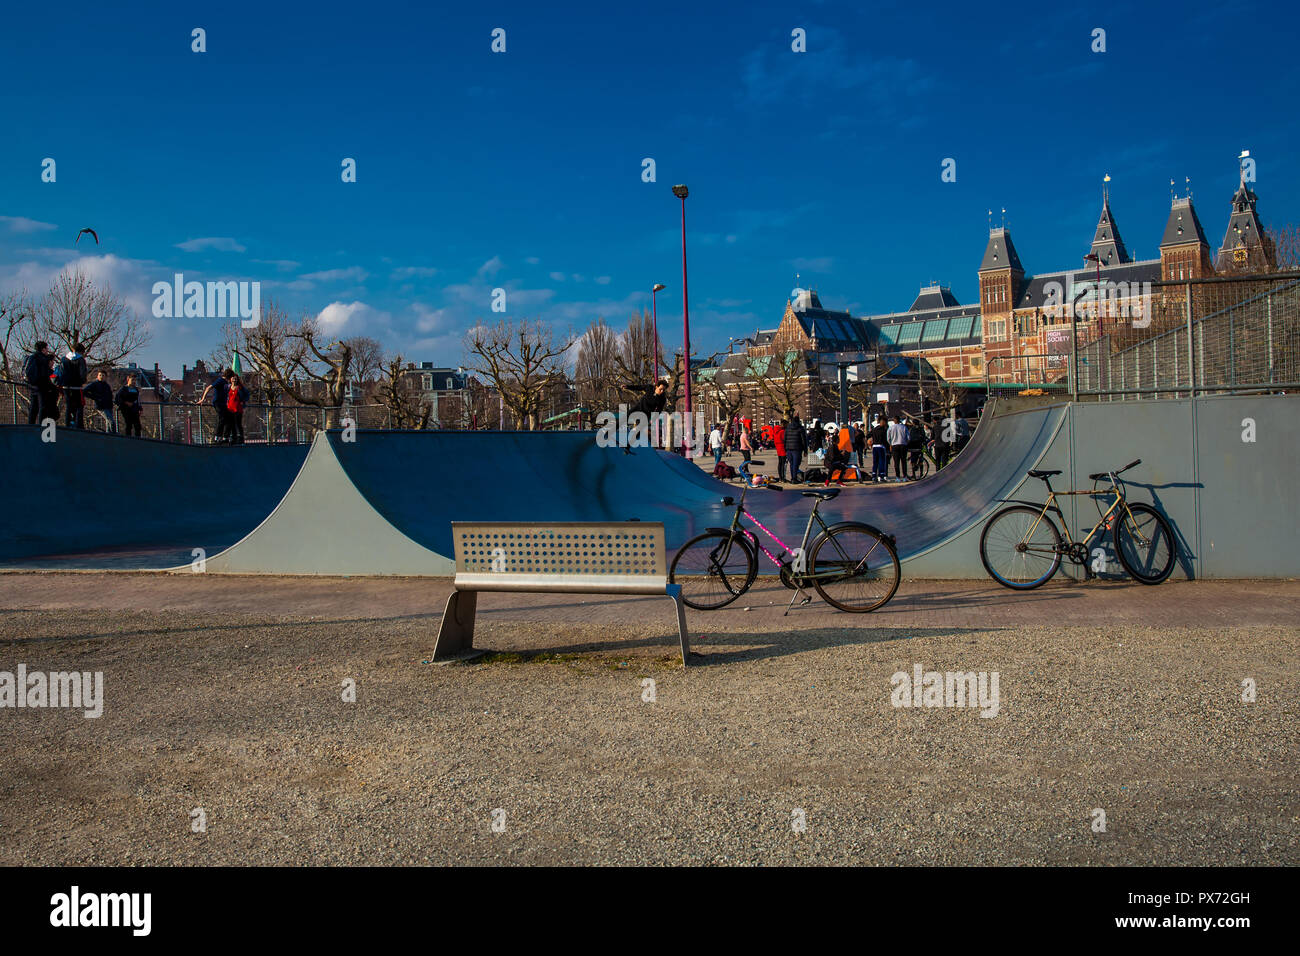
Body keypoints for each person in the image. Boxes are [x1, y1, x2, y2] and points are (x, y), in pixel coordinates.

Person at [23, 341, 57, 425]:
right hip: (41, 386)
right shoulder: (43, 358)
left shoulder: (32, 357)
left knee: (33, 408)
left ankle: (30, 425)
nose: (47, 350)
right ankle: (41, 426)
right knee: (42, 407)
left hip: (32, 385)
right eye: (46, 348)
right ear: (43, 349)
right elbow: (45, 373)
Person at [197, 370, 232, 443]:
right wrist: (203, 399)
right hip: (217, 403)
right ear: (228, 376)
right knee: (222, 418)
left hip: (224, 403)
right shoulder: (220, 380)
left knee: (229, 419)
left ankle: (226, 437)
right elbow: (208, 388)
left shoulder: (226, 383)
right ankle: (218, 437)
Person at [60, 343, 89, 429]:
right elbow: (83, 373)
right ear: (81, 351)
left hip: (66, 386)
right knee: (79, 406)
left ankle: (68, 424)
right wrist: (82, 380)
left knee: (69, 406)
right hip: (77, 386)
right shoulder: (81, 360)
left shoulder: (64, 358)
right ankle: (79, 425)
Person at [226, 373, 250, 444]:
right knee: (231, 423)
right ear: (230, 379)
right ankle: (234, 438)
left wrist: (243, 401)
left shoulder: (240, 388)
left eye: (236, 378)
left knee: (238, 423)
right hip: (230, 408)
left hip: (237, 408)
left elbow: (247, 395)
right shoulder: (228, 387)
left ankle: (241, 438)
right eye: (233, 378)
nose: (234, 380)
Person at [786, 413, 806, 483]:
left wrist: (786, 448)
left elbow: (785, 439)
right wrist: (805, 450)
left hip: (789, 449)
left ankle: (793, 478)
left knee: (791, 464)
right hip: (797, 448)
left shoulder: (788, 428)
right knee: (796, 464)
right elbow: (804, 440)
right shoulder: (800, 428)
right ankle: (794, 479)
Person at [869, 415, 889, 483]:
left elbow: (868, 435)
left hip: (874, 447)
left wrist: (871, 440)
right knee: (881, 462)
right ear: (883, 422)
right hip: (881, 446)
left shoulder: (875, 429)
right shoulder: (884, 429)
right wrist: (888, 447)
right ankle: (881, 476)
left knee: (875, 462)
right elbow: (885, 440)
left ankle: (874, 476)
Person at [888, 416, 908, 481]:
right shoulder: (904, 427)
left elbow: (888, 438)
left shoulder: (890, 428)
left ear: (894, 421)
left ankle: (897, 477)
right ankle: (905, 476)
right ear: (899, 420)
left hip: (894, 446)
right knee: (903, 461)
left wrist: (890, 444)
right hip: (903, 445)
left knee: (896, 462)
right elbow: (908, 437)